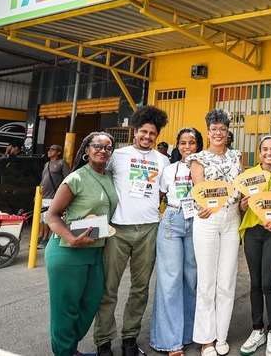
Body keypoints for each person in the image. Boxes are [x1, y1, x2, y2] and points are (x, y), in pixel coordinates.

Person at [95, 106, 170, 356]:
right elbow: (99, 181)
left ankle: (129, 339)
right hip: (118, 229)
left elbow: (166, 192)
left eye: (152, 134)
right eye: (144, 132)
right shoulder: (117, 156)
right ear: (135, 131)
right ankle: (103, 341)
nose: (147, 137)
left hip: (149, 229)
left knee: (140, 289)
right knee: (109, 288)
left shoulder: (163, 160)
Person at [45, 132, 118, 356]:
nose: (102, 150)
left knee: (89, 304)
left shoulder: (108, 177)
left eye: (107, 148)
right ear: (86, 150)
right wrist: (70, 238)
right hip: (68, 252)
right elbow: (52, 215)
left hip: (95, 251)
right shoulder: (75, 178)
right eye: (97, 146)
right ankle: (65, 352)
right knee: (65, 310)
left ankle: (70, 348)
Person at [187, 109, 243, 356]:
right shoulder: (198, 158)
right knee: (207, 282)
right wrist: (209, 204)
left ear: (228, 132)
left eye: (222, 129)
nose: (218, 133)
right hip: (208, 219)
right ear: (208, 132)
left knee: (227, 280)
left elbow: (241, 188)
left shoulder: (236, 156)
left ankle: (221, 335)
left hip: (232, 219)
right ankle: (206, 339)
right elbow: (200, 191)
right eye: (214, 129)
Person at [150, 128, 204, 356]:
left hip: (197, 221)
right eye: (183, 143)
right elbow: (159, 194)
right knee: (170, 280)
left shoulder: (204, 168)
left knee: (191, 279)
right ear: (177, 145)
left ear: (198, 145)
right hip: (172, 219)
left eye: (192, 142)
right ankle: (170, 341)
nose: (187, 147)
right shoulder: (168, 169)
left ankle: (188, 333)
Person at [238, 135, 271, 356]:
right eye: (265, 149)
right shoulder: (248, 176)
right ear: (259, 152)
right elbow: (240, 208)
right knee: (255, 282)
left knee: (267, 282)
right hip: (252, 233)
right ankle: (257, 329)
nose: (269, 152)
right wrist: (243, 204)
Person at [39, 144, 69, 247]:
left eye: (52, 150)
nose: (49, 151)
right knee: (41, 218)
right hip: (42, 196)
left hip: (53, 196)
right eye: (49, 149)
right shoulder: (46, 164)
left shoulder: (61, 163)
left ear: (58, 152)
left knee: (48, 217)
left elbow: (67, 180)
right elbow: (43, 179)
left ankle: (45, 238)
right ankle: (41, 235)